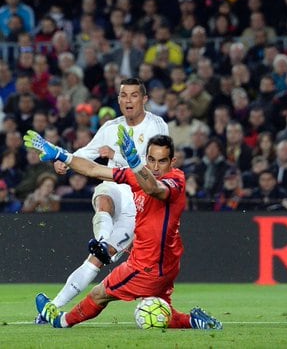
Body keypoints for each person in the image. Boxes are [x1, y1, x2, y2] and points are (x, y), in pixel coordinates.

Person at [25, 129, 222, 330]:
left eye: (162, 161)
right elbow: (93, 169)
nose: (155, 167)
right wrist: (61, 154)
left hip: (147, 266)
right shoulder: (136, 174)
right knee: (159, 309)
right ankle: (193, 320)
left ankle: (60, 321)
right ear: (147, 158)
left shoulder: (176, 180)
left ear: (173, 162)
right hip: (165, 263)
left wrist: (135, 162)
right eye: (151, 160)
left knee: (99, 294)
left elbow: (155, 189)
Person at [34, 77, 169, 324]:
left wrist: (116, 154)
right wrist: (65, 159)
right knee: (104, 194)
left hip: (140, 201)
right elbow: (88, 152)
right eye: (123, 95)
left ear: (144, 99)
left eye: (134, 95)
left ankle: (54, 306)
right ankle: (101, 240)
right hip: (117, 186)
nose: (128, 100)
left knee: (97, 260)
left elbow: (155, 166)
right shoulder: (110, 127)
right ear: (118, 99)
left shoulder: (156, 125)